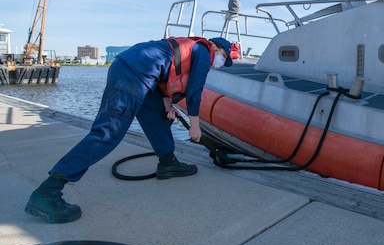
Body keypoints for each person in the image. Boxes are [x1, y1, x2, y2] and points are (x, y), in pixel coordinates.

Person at [24, 36, 234, 223]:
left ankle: (168, 163)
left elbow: (166, 73)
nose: (220, 63)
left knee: (156, 117)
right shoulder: (204, 51)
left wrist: (168, 104)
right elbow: (195, 90)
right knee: (108, 133)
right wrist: (195, 125)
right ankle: (49, 192)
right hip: (134, 74)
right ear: (217, 48)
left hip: (139, 72)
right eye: (224, 58)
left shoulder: (189, 47)